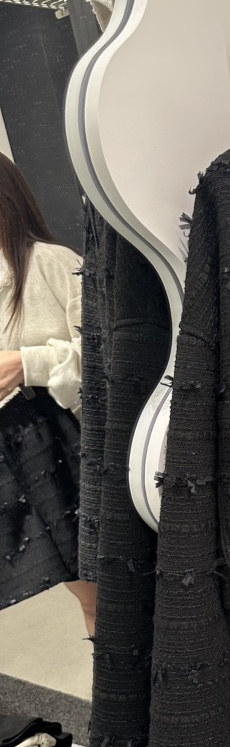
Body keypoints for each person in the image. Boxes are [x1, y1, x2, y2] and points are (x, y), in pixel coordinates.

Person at [0, 152, 96, 636]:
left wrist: (28, 363)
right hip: (13, 457)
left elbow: (105, 358)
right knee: (84, 591)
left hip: (62, 445)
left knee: (99, 590)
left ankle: (129, 678)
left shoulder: (55, 264)